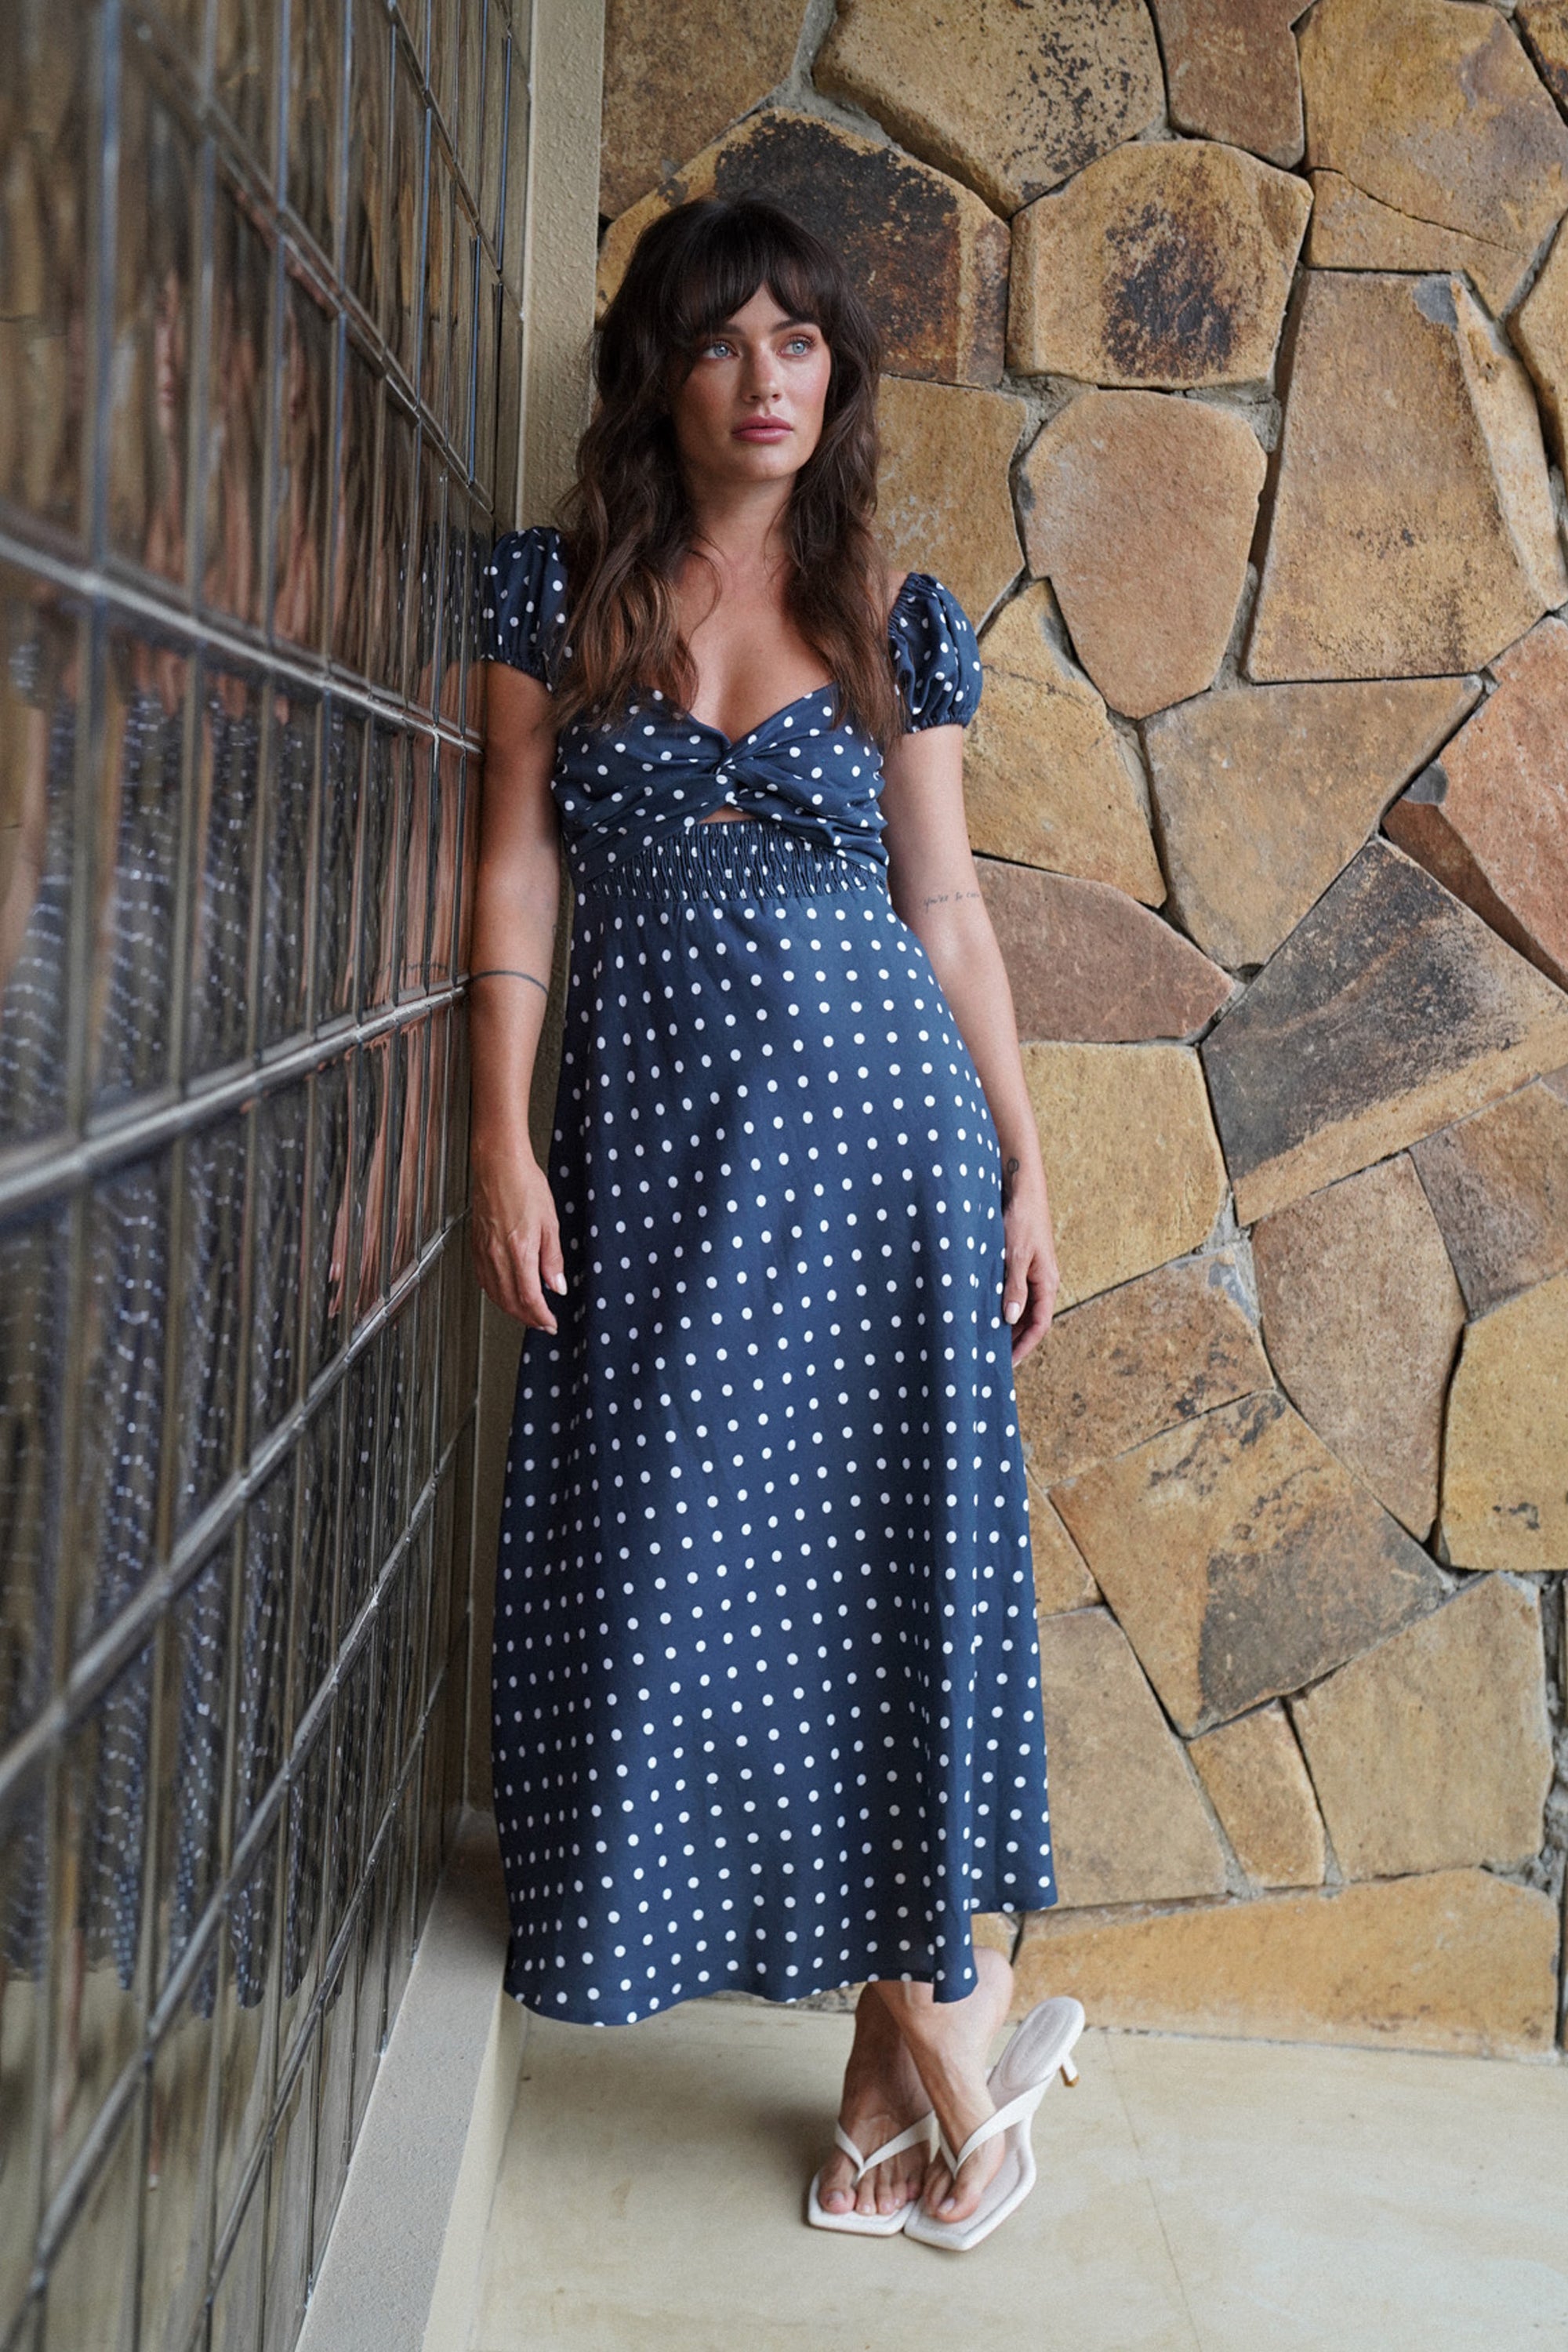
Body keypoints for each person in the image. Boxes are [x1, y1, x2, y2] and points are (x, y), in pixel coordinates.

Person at [472, 194, 1078, 2253]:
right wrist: (498, 1136)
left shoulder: (887, 605)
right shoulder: (556, 599)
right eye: (726, 344)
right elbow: (516, 889)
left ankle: (894, 2082)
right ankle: (955, 2048)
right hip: (652, 1152)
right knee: (683, 1576)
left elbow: (952, 911)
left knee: (874, 1571)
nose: (767, 382)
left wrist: (1024, 1150)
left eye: (801, 346)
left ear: (838, 379)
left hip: (885, 1158)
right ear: (663, 371)